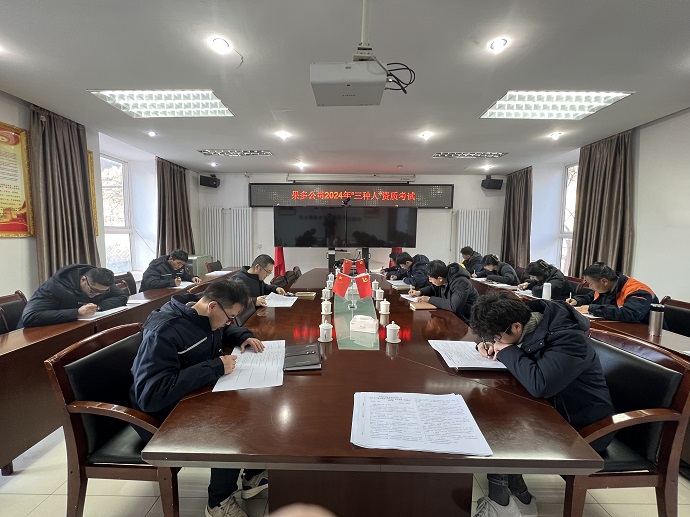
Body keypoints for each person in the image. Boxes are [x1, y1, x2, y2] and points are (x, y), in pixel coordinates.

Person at [130, 279, 267, 517]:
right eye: (230, 317)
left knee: (253, 402)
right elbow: (150, 395)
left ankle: (252, 474)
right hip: (159, 416)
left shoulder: (202, 315)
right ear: (212, 306)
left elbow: (221, 331)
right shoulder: (163, 331)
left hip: (189, 396)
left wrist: (242, 335)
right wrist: (214, 367)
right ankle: (218, 502)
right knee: (231, 423)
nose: (229, 322)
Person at [469, 291, 614, 517]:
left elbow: (541, 385)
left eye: (496, 337)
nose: (496, 342)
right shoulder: (527, 325)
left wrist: (507, 351)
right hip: (556, 411)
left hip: (586, 426)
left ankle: (501, 504)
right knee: (494, 412)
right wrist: (485, 344)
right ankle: (520, 497)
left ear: (516, 327)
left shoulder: (569, 339)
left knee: (497, 425)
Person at [18, 264, 127, 328]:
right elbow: (30, 317)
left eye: (102, 292)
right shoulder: (53, 286)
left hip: (73, 327)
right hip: (34, 334)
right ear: (83, 280)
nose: (97, 294)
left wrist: (98, 307)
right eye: (93, 290)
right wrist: (77, 313)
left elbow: (121, 296)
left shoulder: (101, 280)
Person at [567, 262, 659, 323]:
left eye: (591, 284)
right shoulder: (606, 286)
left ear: (604, 281)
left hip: (645, 334)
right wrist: (577, 301)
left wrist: (592, 309)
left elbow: (631, 314)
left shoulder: (638, 291)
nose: (590, 287)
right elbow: (590, 297)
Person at [409, 260, 478, 321]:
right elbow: (433, 288)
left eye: (430, 278)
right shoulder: (444, 276)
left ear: (440, 279)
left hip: (466, 319)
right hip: (452, 315)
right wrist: (419, 292)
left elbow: (454, 306)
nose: (429, 281)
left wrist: (429, 299)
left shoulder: (461, 282)